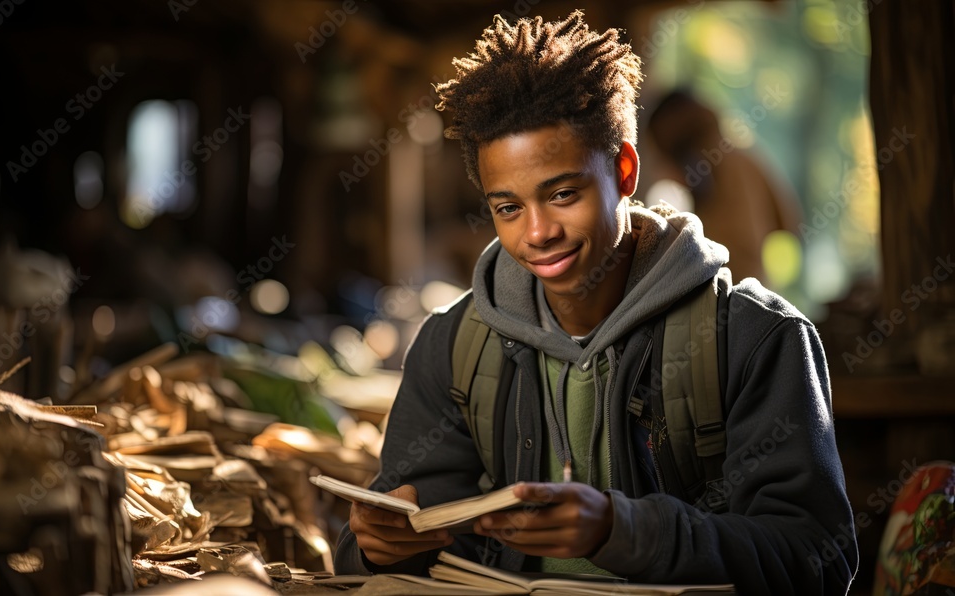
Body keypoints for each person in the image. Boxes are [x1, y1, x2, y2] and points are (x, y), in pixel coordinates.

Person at [333, 11, 858, 594]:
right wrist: (376, 548)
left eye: (562, 194)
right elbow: (397, 532)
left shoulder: (757, 340)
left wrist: (622, 530)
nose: (537, 233)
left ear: (625, 170)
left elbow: (819, 559)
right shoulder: (452, 346)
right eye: (507, 207)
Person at [646, 89, 802, 285]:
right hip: (754, 290)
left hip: (717, 291)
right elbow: (789, 223)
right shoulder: (747, 159)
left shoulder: (696, 172)